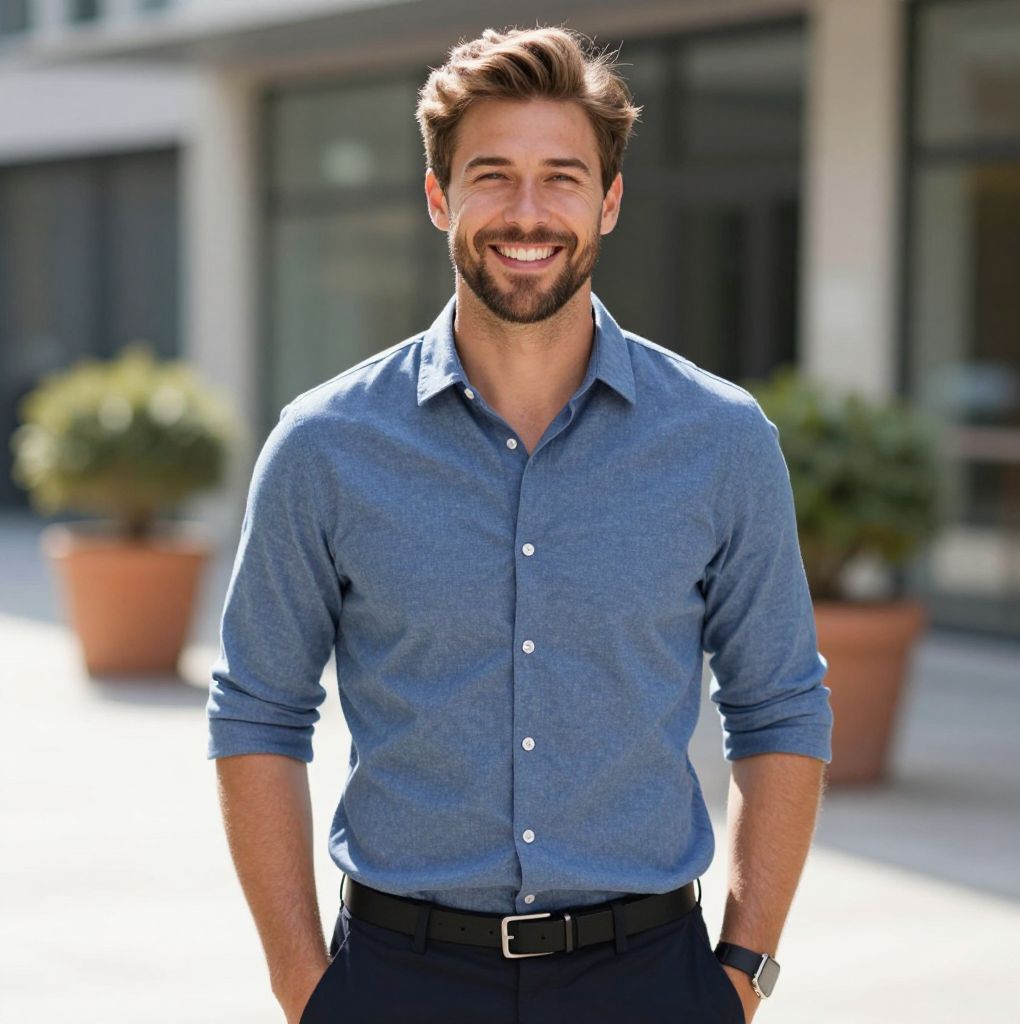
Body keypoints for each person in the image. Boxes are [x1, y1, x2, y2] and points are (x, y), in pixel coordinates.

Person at [206, 24, 833, 1024]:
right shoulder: (323, 446)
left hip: (648, 979)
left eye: (562, 177)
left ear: (610, 201)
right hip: (397, 979)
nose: (528, 213)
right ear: (437, 197)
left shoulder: (719, 441)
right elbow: (257, 712)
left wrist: (742, 970)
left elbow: (780, 706)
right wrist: (301, 981)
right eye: (492, 176)